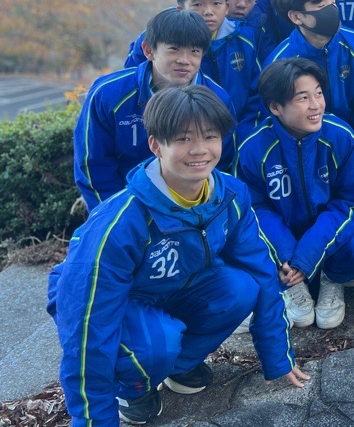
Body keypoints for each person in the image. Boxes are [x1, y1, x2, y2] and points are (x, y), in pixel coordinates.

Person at [50, 86, 309, 426]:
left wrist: (278, 355)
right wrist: (93, 419)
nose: (199, 150)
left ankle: (174, 367)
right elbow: (87, 329)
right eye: (184, 139)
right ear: (156, 145)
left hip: (177, 285)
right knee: (157, 343)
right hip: (112, 300)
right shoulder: (121, 222)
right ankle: (131, 388)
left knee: (242, 288)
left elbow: (260, 269)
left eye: (210, 136)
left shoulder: (230, 194)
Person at [235, 58, 354, 330]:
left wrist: (310, 253)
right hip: (283, 234)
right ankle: (290, 282)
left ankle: (331, 277)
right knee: (247, 244)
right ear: (275, 107)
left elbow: (353, 201)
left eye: (319, 93)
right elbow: (253, 208)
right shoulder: (253, 148)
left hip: (326, 232)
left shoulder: (341, 136)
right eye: (303, 98)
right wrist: (287, 254)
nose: (316, 105)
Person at [75, 9, 235, 209]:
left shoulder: (218, 99)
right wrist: (117, 213)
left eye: (194, 51)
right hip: (125, 204)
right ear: (148, 50)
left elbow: (222, 162)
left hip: (191, 208)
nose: (184, 59)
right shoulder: (108, 94)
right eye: (174, 49)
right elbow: (93, 164)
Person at [124, 0, 261, 138]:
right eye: (198, 5)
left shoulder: (244, 39)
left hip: (228, 133)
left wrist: (243, 137)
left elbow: (255, 94)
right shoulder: (158, 36)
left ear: (226, 7)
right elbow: (134, 82)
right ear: (181, 8)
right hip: (164, 127)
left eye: (216, 3)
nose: (208, 11)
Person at [266, 0, 354, 132]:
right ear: (296, 17)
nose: (332, 10)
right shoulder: (278, 62)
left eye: (333, 2)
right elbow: (275, 119)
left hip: (353, 137)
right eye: (321, 7)